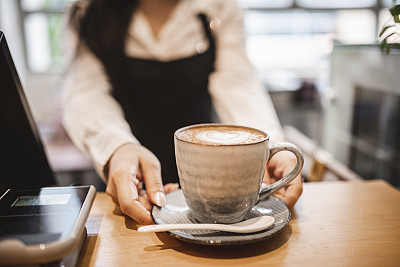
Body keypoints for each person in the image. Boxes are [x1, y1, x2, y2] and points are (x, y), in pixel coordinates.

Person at [62, 0, 303, 225]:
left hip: (209, 184)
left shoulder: (218, 7)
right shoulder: (88, 12)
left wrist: (267, 147)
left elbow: (237, 83)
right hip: (131, 183)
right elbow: (85, 93)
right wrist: (117, 148)